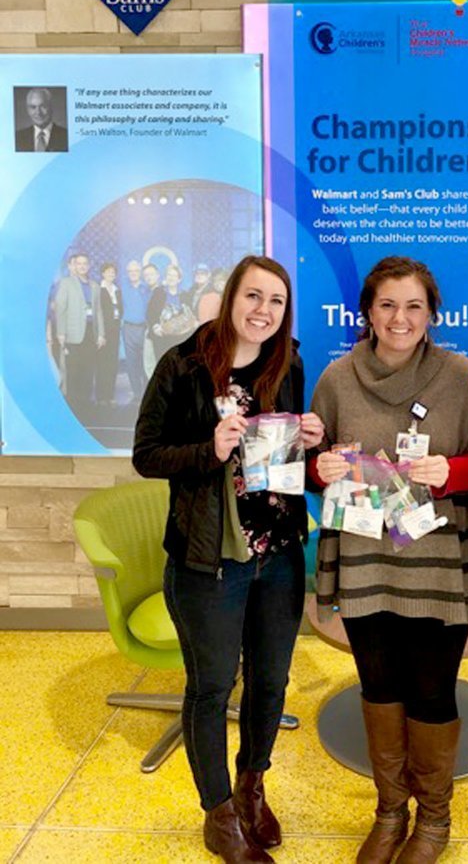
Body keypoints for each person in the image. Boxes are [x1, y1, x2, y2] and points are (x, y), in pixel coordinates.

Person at [133, 255, 324, 864]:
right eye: (253, 296)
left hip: (281, 552)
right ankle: (217, 812)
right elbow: (146, 454)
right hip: (208, 558)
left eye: (275, 301)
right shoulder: (183, 365)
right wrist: (206, 450)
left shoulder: (286, 362)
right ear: (231, 297)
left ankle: (252, 788)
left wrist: (310, 437)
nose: (263, 311)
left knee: (271, 682)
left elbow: (290, 456)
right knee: (212, 687)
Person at [311, 255, 468, 864]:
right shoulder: (336, 379)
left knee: (432, 690)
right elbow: (317, 473)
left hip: (441, 566)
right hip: (367, 563)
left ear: (432, 314)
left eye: (414, 305)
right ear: (366, 311)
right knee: (379, 687)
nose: (400, 317)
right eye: (388, 304)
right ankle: (390, 811)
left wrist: (453, 471)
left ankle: (435, 821)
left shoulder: (464, 379)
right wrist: (324, 468)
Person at [54, 252, 105, 415]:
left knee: (89, 369)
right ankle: (73, 405)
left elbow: (99, 311)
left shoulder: (95, 286)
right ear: (74, 266)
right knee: (74, 370)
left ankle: (86, 403)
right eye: (79, 263)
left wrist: (101, 334)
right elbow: (60, 308)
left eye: (85, 263)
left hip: (91, 333)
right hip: (72, 334)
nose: (82, 266)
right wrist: (60, 332)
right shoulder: (66, 283)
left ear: (89, 266)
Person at [147, 263, 197, 363]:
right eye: (169, 275)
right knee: (164, 366)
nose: (171, 278)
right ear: (165, 277)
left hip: (181, 338)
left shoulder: (185, 295)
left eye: (174, 275)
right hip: (162, 337)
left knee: (180, 366)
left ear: (179, 279)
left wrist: (194, 322)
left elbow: (190, 314)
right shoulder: (158, 292)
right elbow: (150, 313)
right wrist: (155, 326)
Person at [121, 260, 149, 402]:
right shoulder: (122, 288)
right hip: (128, 328)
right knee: (132, 363)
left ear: (140, 272)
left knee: (145, 362)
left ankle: (146, 393)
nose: (133, 274)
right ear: (127, 273)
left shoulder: (147, 287)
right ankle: (137, 393)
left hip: (144, 328)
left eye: (136, 271)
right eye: (130, 271)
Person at [96, 262, 123, 406]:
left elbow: (121, 309)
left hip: (115, 331)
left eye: (113, 272)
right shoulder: (98, 290)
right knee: (102, 363)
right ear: (102, 273)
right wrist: (101, 333)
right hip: (102, 331)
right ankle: (101, 397)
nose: (110, 274)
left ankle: (110, 396)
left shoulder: (117, 290)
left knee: (113, 363)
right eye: (108, 272)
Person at [15, 87, 69, 152]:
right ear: (28, 110)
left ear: (51, 107)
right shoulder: (18, 137)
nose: (38, 112)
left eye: (43, 106)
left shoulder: (66, 136)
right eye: (33, 107)